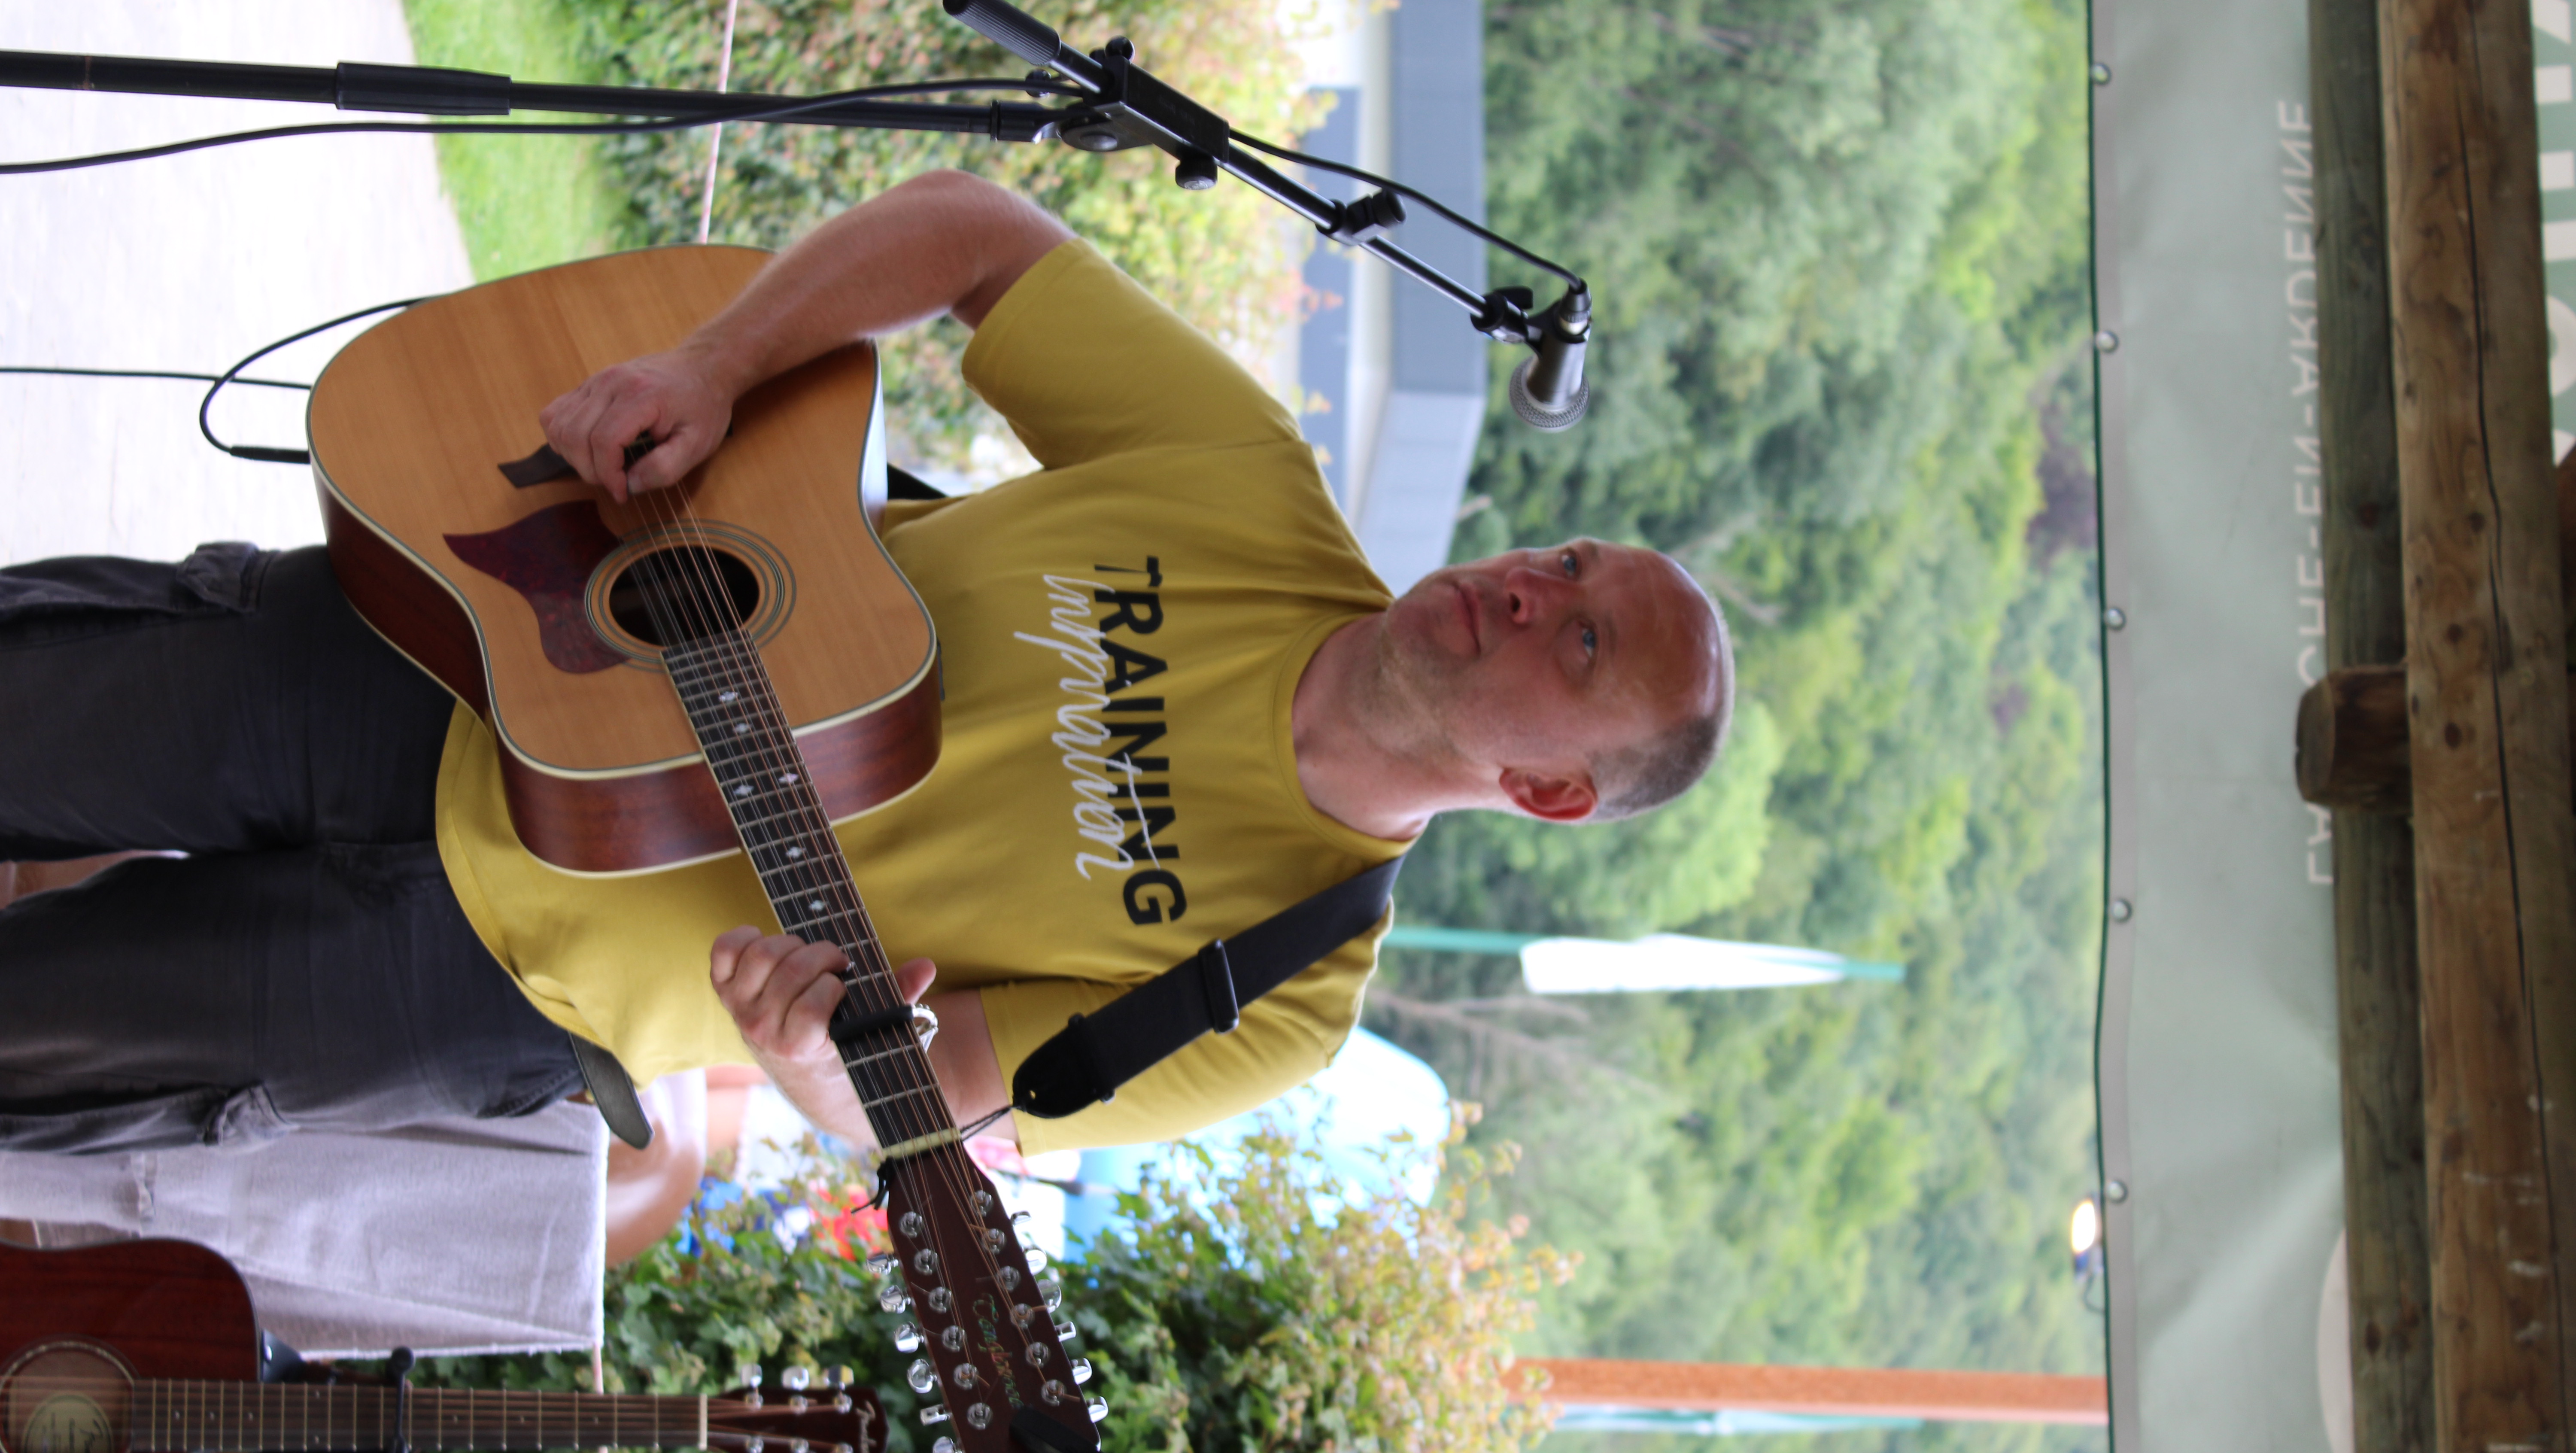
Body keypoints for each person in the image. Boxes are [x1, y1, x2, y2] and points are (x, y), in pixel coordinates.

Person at [0, 169, 1731, 1158]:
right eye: (1564, 560)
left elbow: (939, 1095)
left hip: (490, 986)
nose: (1530, 586)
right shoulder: (1248, 487)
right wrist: (716, 361)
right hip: (464, 655)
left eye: (1579, 635)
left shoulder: (1281, 997)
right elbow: (978, 231)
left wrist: (821, 1060)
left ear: (1550, 791)